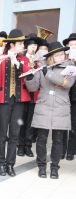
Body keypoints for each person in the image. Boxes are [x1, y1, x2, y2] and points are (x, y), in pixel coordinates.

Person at [25, 41, 76, 179]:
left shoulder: (70, 67)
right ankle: (41, 166)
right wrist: (29, 78)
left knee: (58, 139)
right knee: (41, 138)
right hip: (44, 105)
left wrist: (48, 73)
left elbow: (67, 84)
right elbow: (33, 88)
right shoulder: (42, 67)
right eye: (58, 55)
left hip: (61, 107)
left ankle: (54, 167)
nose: (61, 57)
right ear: (51, 57)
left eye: (62, 54)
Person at [0, 29, 31, 176]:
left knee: (14, 134)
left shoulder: (25, 60)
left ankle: (10, 164)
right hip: (3, 100)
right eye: (20, 43)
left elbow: (28, 76)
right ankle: (0, 163)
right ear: (12, 44)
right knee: (1, 134)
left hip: (19, 101)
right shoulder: (0, 58)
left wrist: (17, 63)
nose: (23, 46)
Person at [17, 33, 43, 158]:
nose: (34, 47)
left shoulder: (38, 61)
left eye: (35, 45)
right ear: (26, 47)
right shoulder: (21, 59)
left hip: (34, 95)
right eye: (31, 45)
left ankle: (28, 146)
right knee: (21, 121)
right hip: (23, 93)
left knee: (31, 122)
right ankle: (20, 146)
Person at [62, 33, 76, 161]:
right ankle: (61, 150)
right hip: (63, 95)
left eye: (75, 45)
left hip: (74, 97)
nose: (73, 47)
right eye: (71, 45)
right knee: (62, 125)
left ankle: (70, 151)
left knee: (74, 125)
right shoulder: (63, 59)